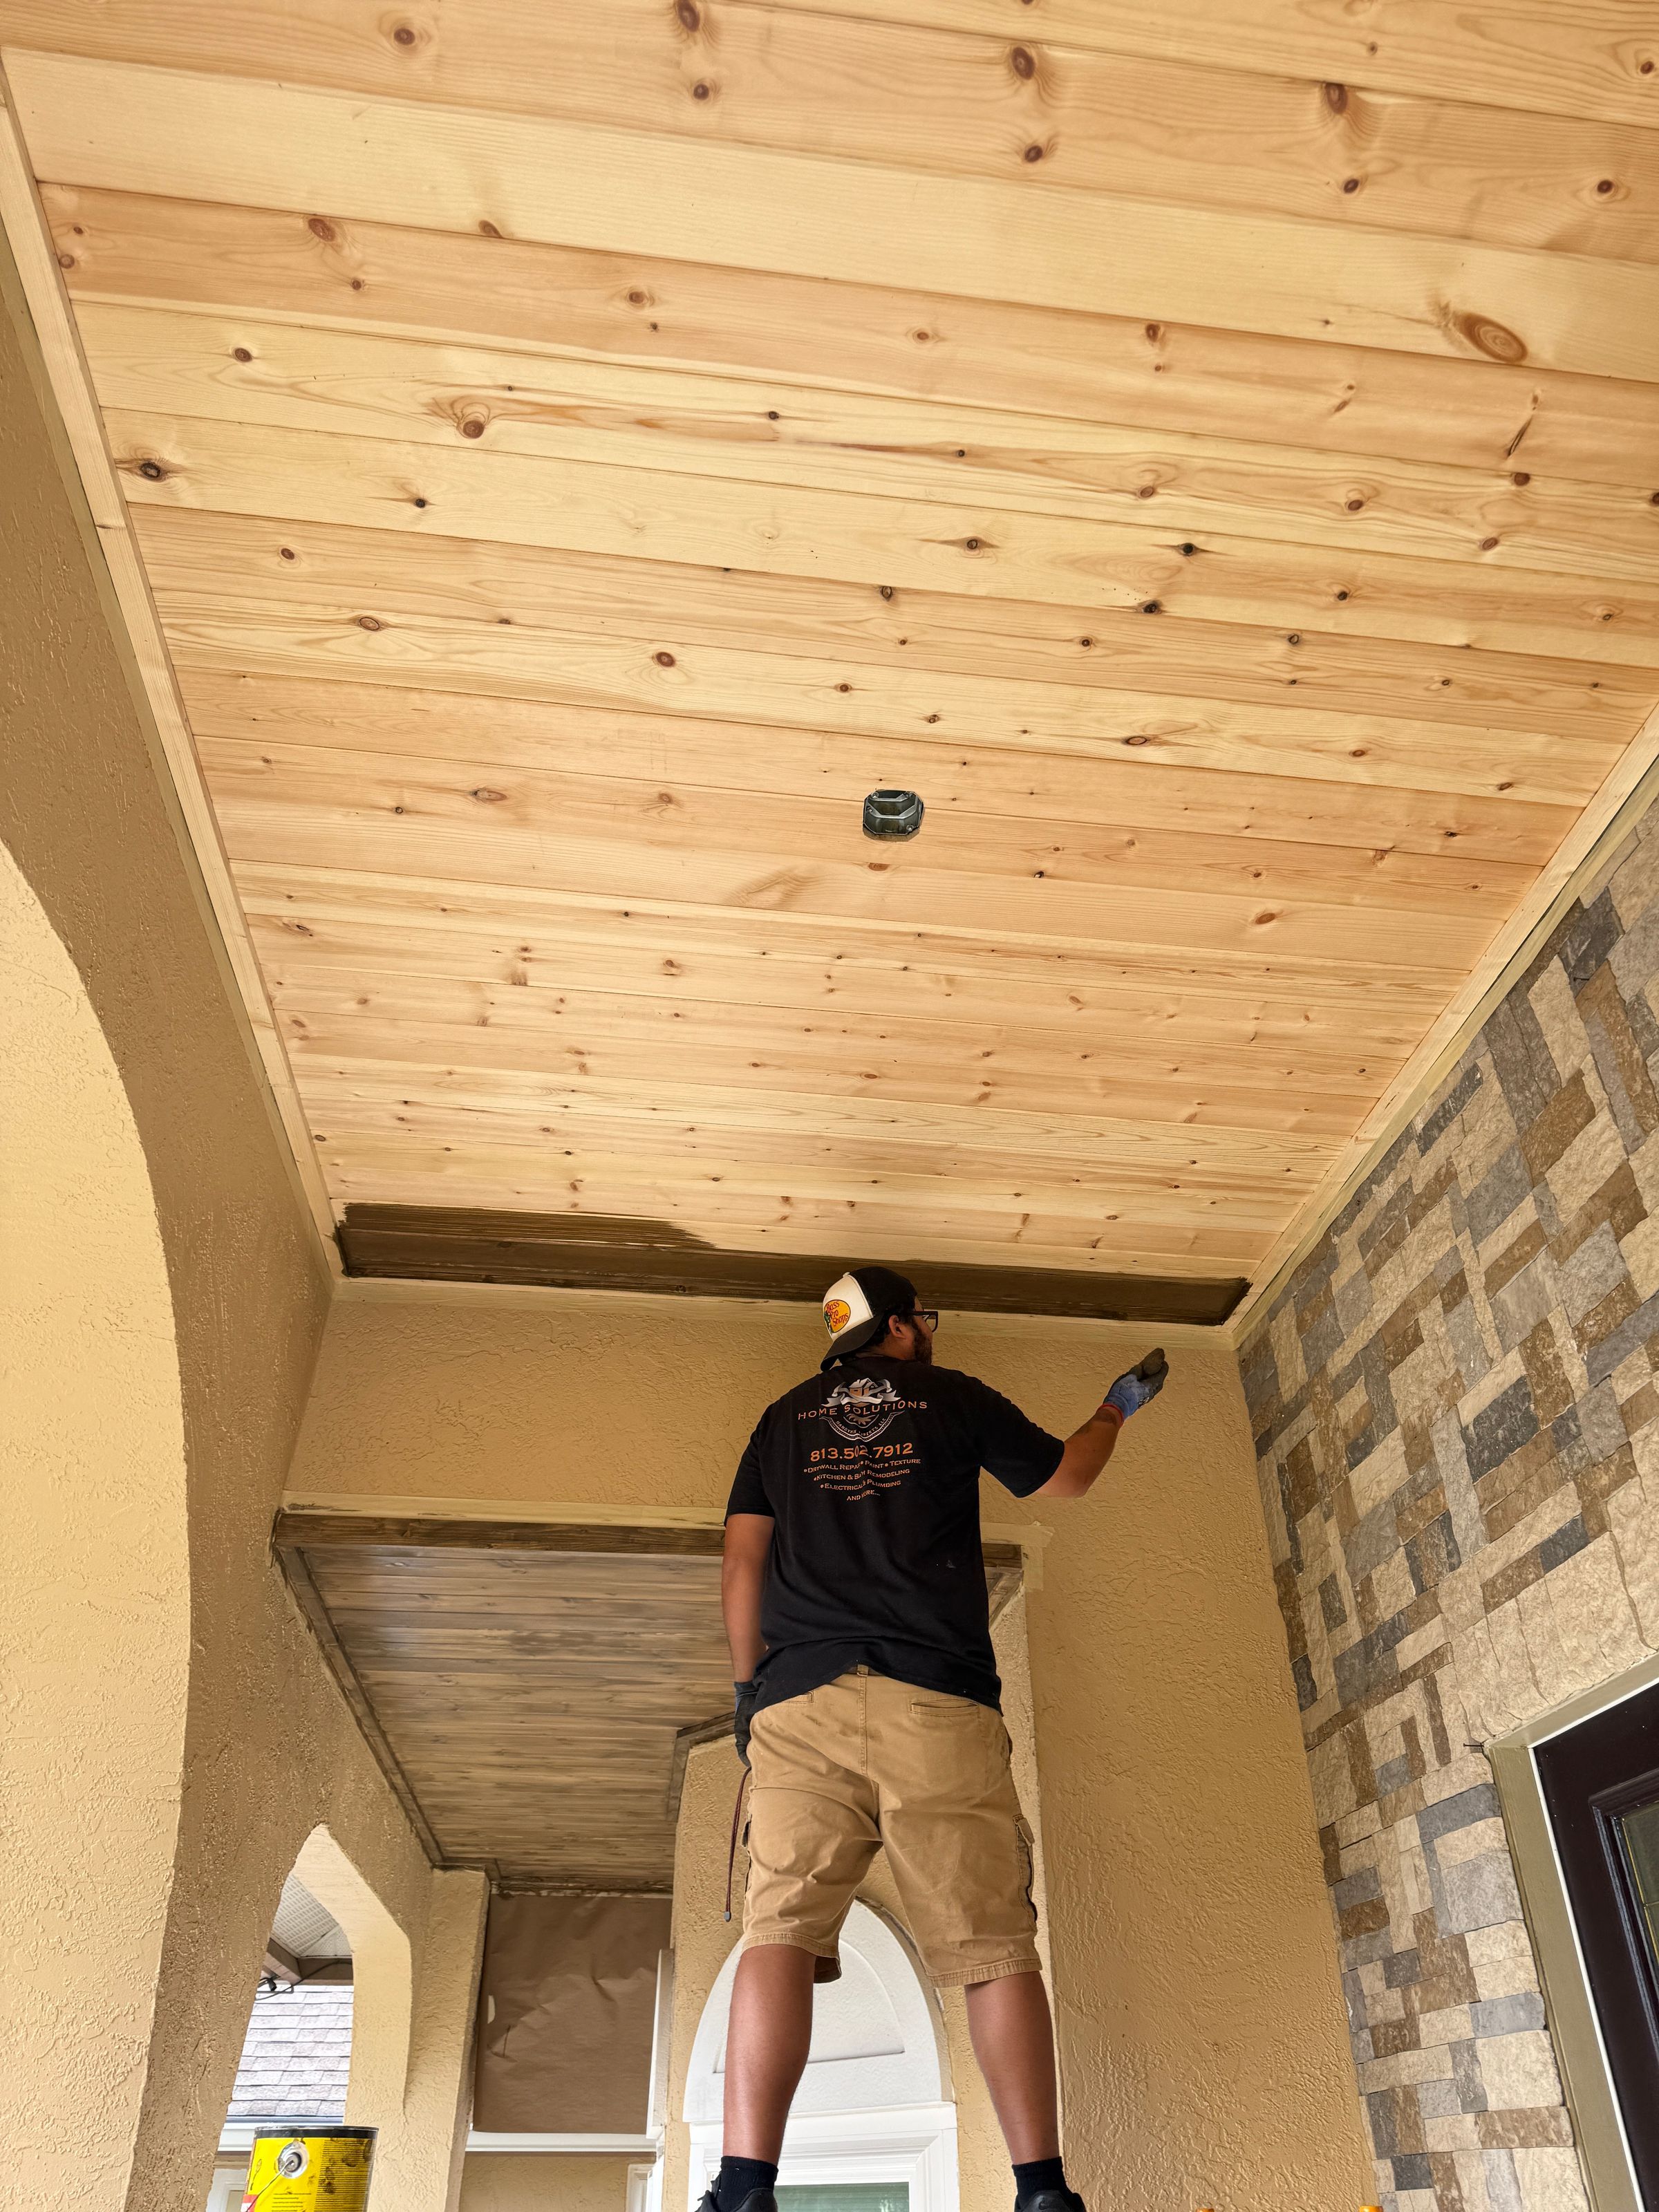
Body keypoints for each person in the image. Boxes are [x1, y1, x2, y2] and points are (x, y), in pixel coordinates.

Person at [706, 1264, 1168, 2212]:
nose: (930, 1332)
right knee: (992, 1945)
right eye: (927, 1319)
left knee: (779, 1930)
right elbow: (1068, 1476)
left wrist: (751, 1698)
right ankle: (1041, 2191)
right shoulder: (950, 1397)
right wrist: (1115, 1408)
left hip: (799, 1704)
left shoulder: (780, 1420)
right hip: (936, 1699)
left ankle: (745, 2186)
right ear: (900, 1327)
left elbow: (742, 1562)